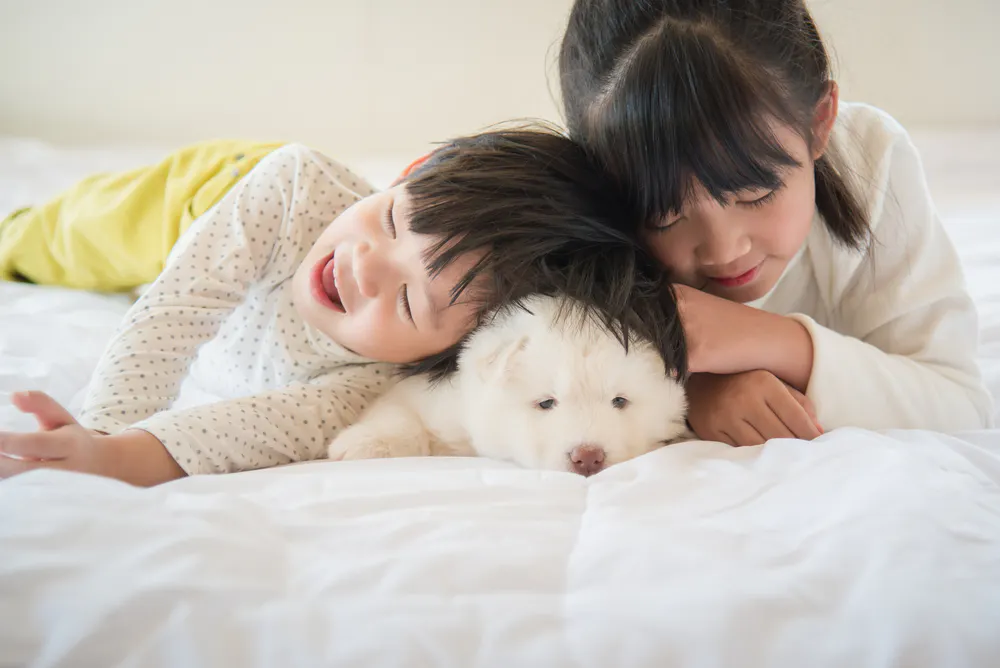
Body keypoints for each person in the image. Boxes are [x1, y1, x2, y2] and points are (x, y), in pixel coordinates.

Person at [0, 128, 685, 485]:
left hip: (239, 305)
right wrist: (101, 427)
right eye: (391, 220)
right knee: (51, 239)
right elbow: (177, 308)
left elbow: (231, 433)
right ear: (409, 175)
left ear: (447, 354)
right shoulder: (292, 184)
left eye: (409, 300)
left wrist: (116, 458)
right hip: (201, 202)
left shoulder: (362, 390)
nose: (364, 266)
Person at [558, 0, 993, 446]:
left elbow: (960, 405)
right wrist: (690, 394)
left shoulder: (869, 160)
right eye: (665, 218)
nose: (725, 250)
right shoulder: (583, 210)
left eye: (756, 195)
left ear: (819, 123)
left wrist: (774, 343)